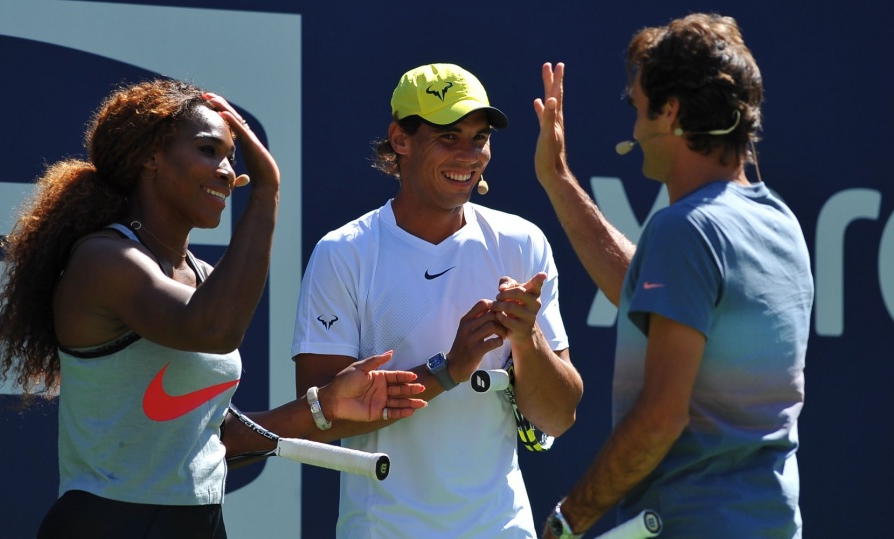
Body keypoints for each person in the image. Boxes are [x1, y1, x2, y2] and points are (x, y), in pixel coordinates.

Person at [0, 78, 427, 538]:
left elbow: (216, 439)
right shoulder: (104, 260)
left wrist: (323, 405)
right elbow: (213, 330)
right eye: (208, 150)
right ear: (150, 156)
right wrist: (267, 192)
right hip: (108, 523)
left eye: (231, 156)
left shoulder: (206, 279)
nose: (228, 171)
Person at [533, 14, 813, 538]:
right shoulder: (779, 222)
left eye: (640, 110)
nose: (636, 131)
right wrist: (558, 179)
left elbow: (661, 416)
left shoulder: (683, 231)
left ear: (673, 113)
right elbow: (649, 297)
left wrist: (569, 520)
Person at [291, 63, 584, 538]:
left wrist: (528, 341)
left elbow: (558, 416)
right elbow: (315, 422)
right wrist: (449, 369)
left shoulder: (523, 243)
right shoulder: (344, 253)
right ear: (400, 140)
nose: (469, 155)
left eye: (480, 137)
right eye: (449, 136)